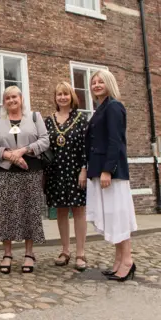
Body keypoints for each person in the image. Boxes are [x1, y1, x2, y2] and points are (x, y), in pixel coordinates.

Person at [0, 86, 49, 274]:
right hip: (6, 172)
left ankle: (29, 253)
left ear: (21, 98)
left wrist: (24, 150)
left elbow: (45, 140)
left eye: (14, 97)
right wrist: (10, 155)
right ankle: (7, 253)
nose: (11, 100)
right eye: (7, 98)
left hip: (31, 170)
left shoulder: (34, 117)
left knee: (30, 210)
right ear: (4, 102)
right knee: (6, 212)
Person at [85, 69, 137, 282]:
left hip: (112, 173)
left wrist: (108, 169)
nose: (96, 85)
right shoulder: (101, 108)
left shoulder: (114, 106)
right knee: (113, 217)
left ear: (109, 83)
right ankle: (119, 259)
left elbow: (116, 141)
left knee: (119, 217)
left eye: (100, 81)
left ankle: (127, 260)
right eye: (93, 82)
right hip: (100, 170)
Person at [44, 82, 89, 271]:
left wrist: (84, 170)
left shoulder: (81, 118)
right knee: (61, 211)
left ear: (72, 96)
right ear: (55, 98)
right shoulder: (48, 120)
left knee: (79, 211)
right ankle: (65, 250)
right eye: (59, 94)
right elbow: (45, 148)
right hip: (56, 172)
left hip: (76, 171)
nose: (62, 97)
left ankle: (80, 253)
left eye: (66, 94)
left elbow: (87, 146)